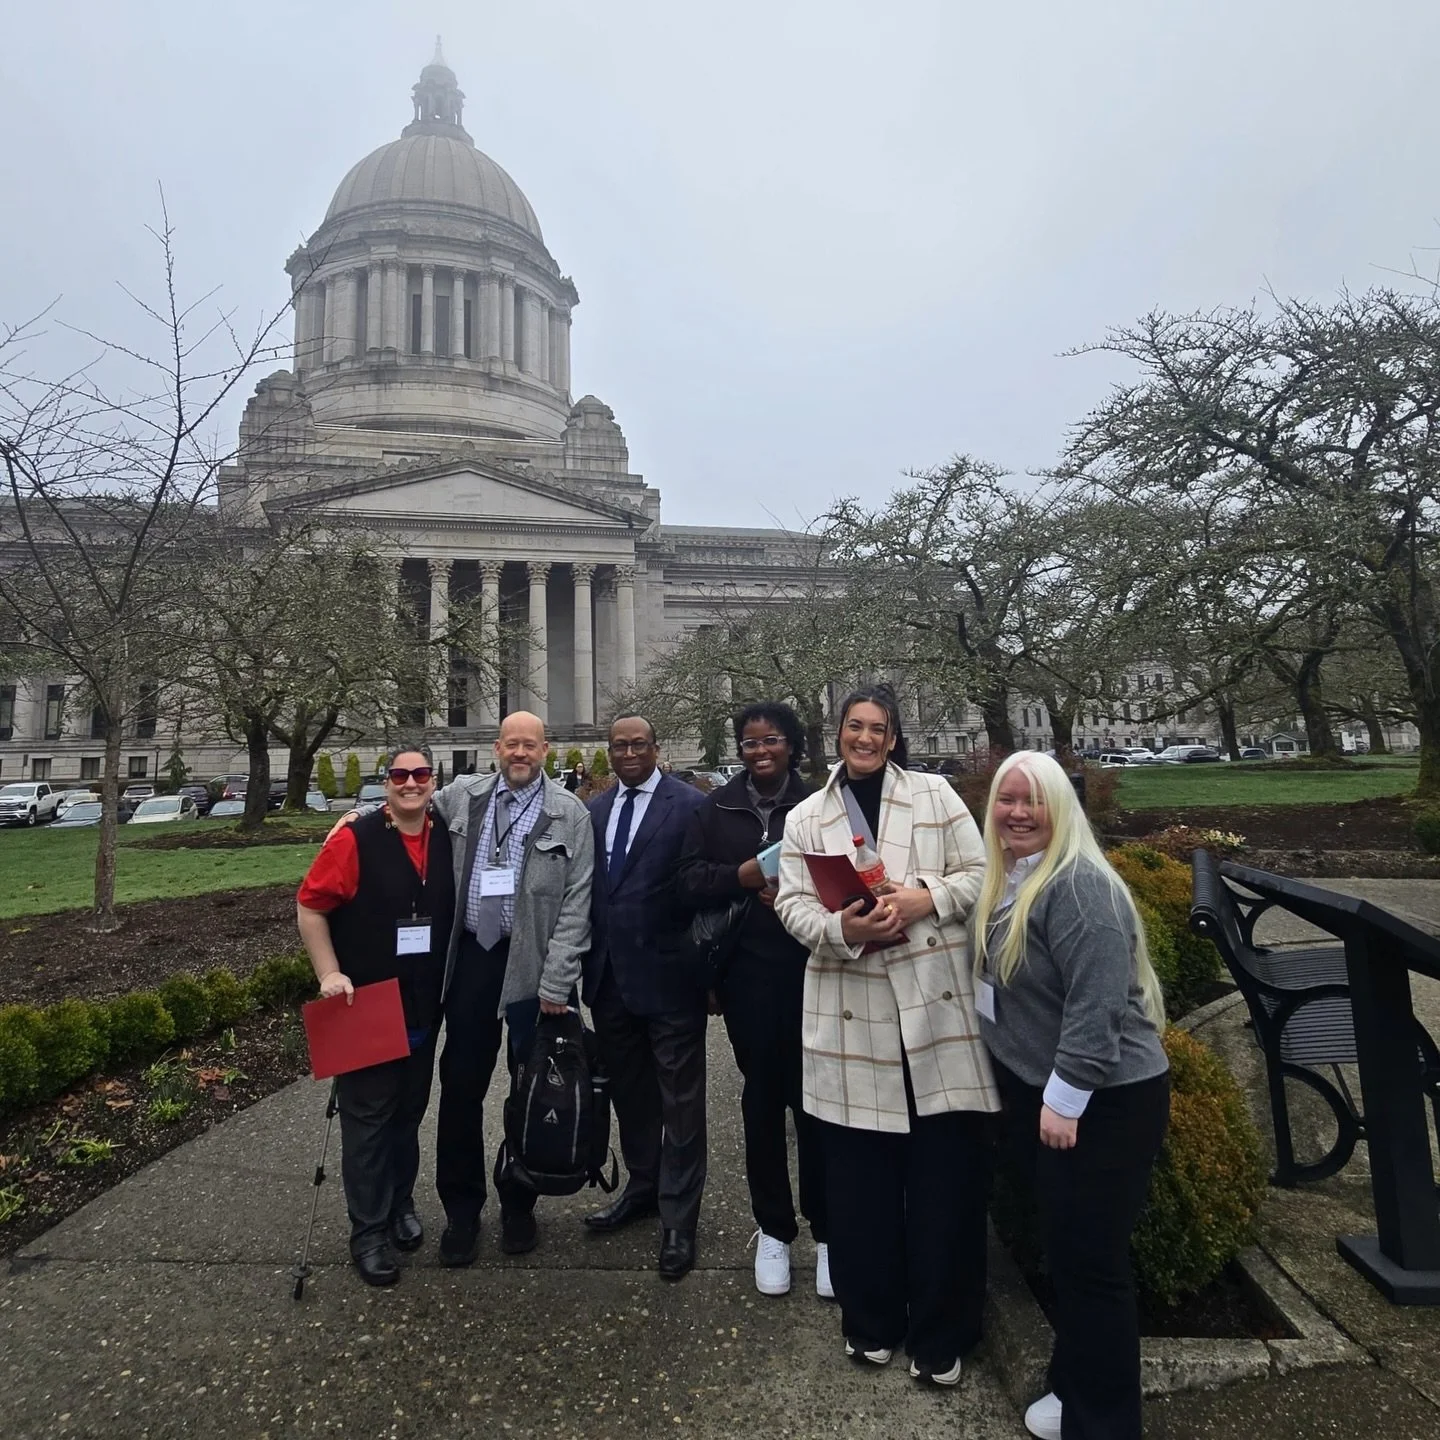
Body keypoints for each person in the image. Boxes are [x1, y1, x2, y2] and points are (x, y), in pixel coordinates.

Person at [774, 685, 997, 1386]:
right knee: (861, 1189)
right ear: (837, 733)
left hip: (934, 1010)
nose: (864, 738)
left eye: (876, 728)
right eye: (853, 726)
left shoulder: (936, 796)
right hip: (853, 1008)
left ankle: (942, 1335)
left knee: (943, 1188)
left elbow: (982, 873)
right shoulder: (808, 815)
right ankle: (871, 1323)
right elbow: (792, 904)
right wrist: (845, 929)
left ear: (894, 737)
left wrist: (925, 896)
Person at [971, 751, 1170, 1440]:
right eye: (1007, 799)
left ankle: (1105, 1423)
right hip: (1048, 1092)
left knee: (1094, 1266)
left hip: (1107, 1097)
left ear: (1063, 809)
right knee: (1068, 1250)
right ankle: (1073, 1383)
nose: (1019, 813)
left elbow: (1099, 1001)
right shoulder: (1009, 879)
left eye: (1036, 801)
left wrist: (1066, 1097)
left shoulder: (1079, 884)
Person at [677, 701, 830, 1300]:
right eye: (749, 742)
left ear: (792, 745)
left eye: (771, 741)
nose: (760, 751)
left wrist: (799, 895)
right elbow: (686, 882)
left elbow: (858, 873)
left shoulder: (821, 805)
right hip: (748, 976)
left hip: (819, 970)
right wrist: (741, 876)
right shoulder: (715, 808)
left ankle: (829, 1231)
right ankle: (773, 1228)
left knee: (817, 1102)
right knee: (763, 1100)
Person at [430, 711, 595, 1265]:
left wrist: (559, 979)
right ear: (496, 747)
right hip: (476, 957)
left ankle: (520, 1202)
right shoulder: (463, 797)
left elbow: (578, 903)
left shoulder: (568, 813)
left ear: (545, 749)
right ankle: (460, 1211)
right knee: (460, 1089)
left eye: (530, 745)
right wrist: (355, 817)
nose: (520, 753)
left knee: (535, 1090)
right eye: (511, 744)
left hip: (535, 969)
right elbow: (405, 805)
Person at [296, 743, 454, 1287]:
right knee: (367, 1122)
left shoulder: (448, 835)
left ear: (434, 781)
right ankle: (367, 1232)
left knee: (408, 1114)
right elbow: (311, 906)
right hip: (365, 1002)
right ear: (385, 782)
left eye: (421, 774)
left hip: (422, 1003)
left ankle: (400, 1205)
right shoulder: (355, 837)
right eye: (399, 775)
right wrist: (328, 973)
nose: (411, 783)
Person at [582, 714, 708, 1279]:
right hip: (610, 982)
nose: (629, 753)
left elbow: (705, 887)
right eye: (619, 746)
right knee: (632, 1097)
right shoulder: (597, 810)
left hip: (671, 979)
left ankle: (680, 1220)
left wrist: (707, 970)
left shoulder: (690, 805)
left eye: (639, 744)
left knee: (680, 1105)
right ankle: (644, 1187)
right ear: (608, 753)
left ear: (657, 749)